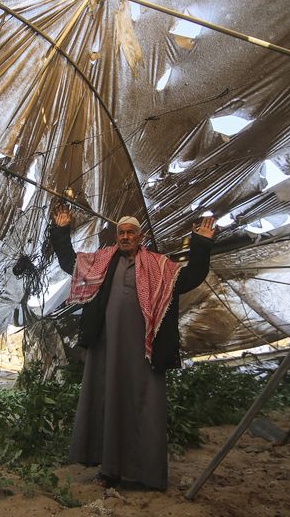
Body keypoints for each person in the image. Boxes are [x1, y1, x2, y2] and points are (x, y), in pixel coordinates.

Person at [49, 205, 215, 490]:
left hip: (144, 352)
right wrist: (61, 231)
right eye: (121, 233)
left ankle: (147, 475)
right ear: (117, 237)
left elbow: (190, 277)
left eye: (131, 233)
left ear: (141, 237)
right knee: (107, 402)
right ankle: (109, 471)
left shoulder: (158, 266)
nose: (125, 236)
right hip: (107, 349)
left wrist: (201, 243)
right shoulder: (102, 262)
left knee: (145, 406)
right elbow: (69, 263)